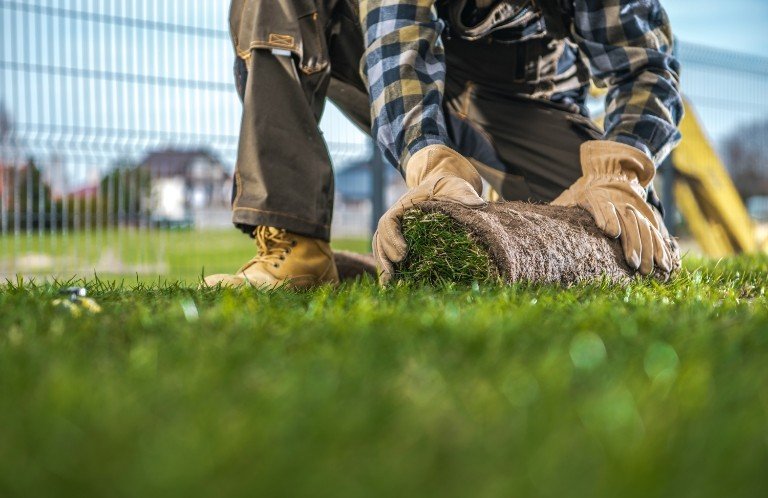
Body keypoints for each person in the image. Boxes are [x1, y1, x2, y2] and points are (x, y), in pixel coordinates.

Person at [204, 0, 683, 287]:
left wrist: (617, 172)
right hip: (402, 68)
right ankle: (298, 253)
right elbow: (398, 45)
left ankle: (486, 231)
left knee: (622, 237)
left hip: (525, 93)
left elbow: (644, 66)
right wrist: (431, 165)